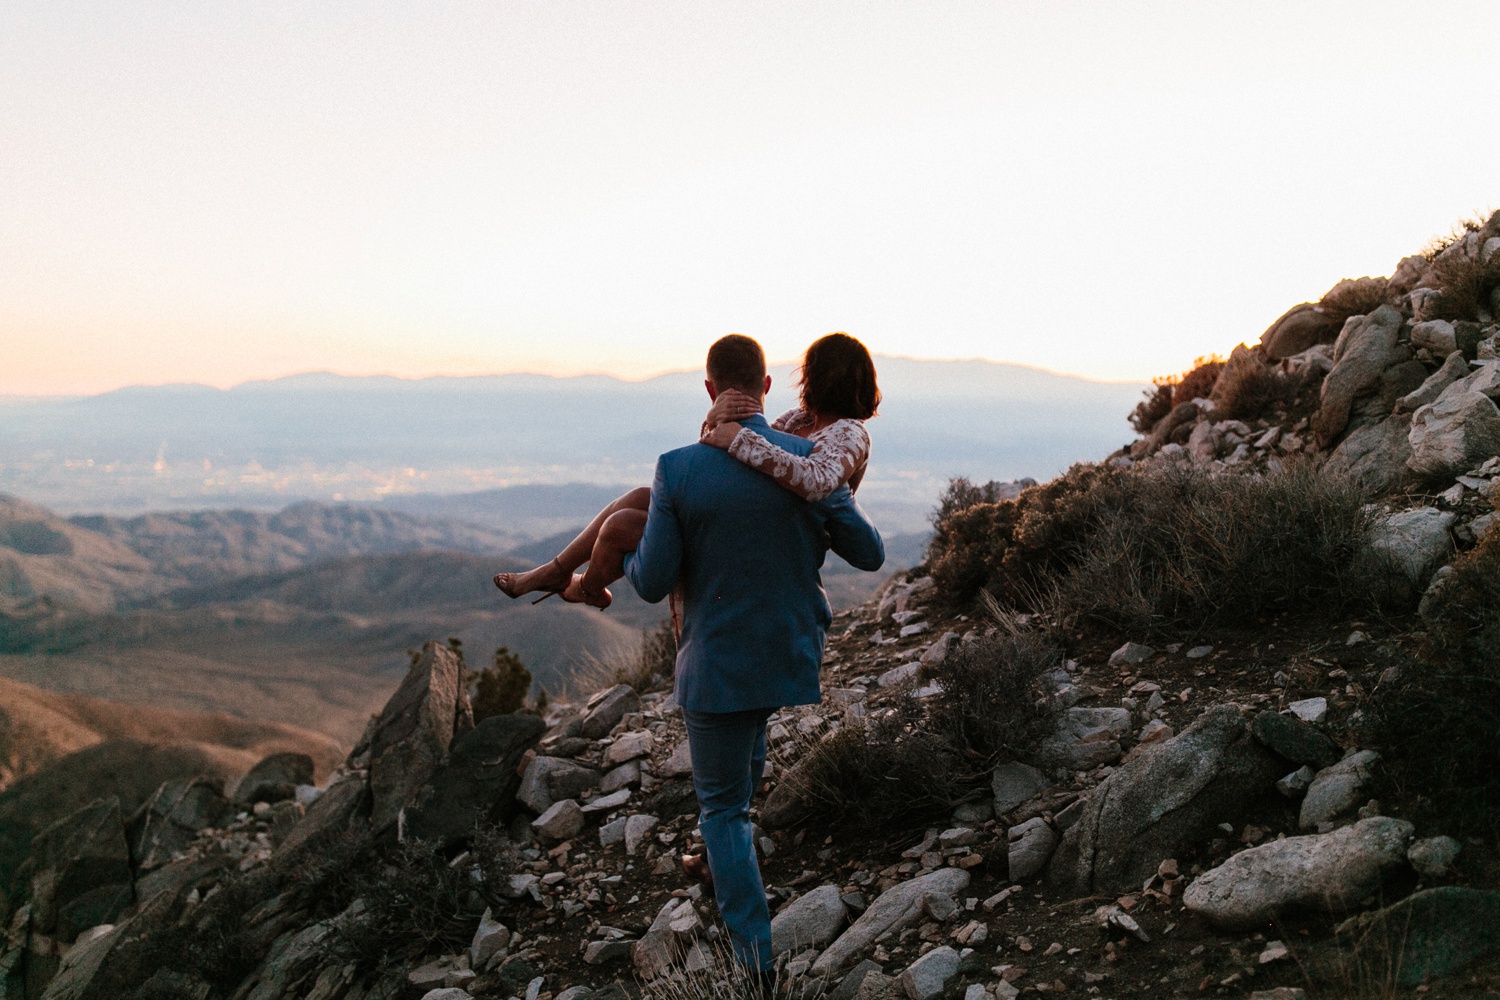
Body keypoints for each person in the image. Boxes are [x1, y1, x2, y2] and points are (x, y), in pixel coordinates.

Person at [624, 334, 884, 977]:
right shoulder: (808, 461)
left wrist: (622, 553)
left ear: (711, 391)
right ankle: (718, 867)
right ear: (767, 388)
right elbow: (871, 554)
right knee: (742, 767)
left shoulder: (678, 467)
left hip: (716, 664)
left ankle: (756, 966)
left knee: (723, 809)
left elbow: (653, 582)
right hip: (788, 652)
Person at [492, 332, 881, 608]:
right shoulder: (798, 421)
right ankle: (559, 571)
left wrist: (736, 438)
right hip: (756, 514)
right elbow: (735, 462)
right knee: (638, 499)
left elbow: (815, 482)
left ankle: (583, 586)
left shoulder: (850, 432)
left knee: (625, 524)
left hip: (790, 531)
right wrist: (713, 422)